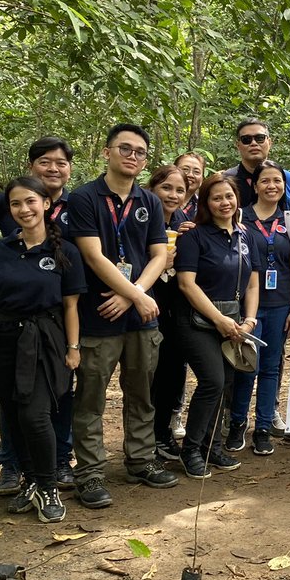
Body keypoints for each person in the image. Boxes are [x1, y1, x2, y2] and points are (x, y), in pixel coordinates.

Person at [67, 123, 178, 509]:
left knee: (142, 394)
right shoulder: (83, 198)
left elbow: (159, 254)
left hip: (139, 316)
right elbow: (92, 255)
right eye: (125, 149)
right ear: (107, 152)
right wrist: (134, 294)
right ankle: (91, 473)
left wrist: (135, 296)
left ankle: (141, 460)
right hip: (98, 315)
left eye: (140, 152)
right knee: (91, 398)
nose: (133, 156)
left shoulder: (148, 201)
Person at [0, 177, 86, 524]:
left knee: (35, 414)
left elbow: (71, 306)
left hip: (45, 341)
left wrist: (73, 348)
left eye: (30, 202)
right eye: (15, 204)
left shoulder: (65, 251)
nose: (24, 209)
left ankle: (48, 485)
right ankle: (29, 481)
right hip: (2, 340)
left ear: (46, 205)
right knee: (13, 414)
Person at [175, 174, 259, 477]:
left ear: (237, 198)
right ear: (206, 203)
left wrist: (249, 318)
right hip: (196, 322)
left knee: (223, 384)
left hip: (233, 323)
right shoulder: (194, 236)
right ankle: (191, 451)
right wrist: (219, 319)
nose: (224, 203)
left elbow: (252, 283)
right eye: (216, 198)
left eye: (229, 196)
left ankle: (212, 447)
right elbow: (186, 284)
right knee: (211, 381)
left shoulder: (245, 234)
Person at [226, 160, 290, 457]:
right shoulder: (239, 217)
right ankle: (237, 423)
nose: (272, 186)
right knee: (246, 366)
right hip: (246, 306)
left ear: (285, 187)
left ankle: (262, 428)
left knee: (271, 368)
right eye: (266, 181)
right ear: (255, 186)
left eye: (278, 181)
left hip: (281, 304)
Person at [147, 166, 193, 463]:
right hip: (147, 306)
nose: (173, 195)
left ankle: (163, 432)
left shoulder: (184, 222)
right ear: (152, 189)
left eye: (179, 190)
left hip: (177, 309)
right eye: (166, 188)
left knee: (174, 373)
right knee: (149, 375)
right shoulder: (142, 221)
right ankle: (145, 438)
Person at [225, 119, 290, 209]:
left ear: (269, 142)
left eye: (260, 138)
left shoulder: (289, 179)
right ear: (238, 145)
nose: (253, 143)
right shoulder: (227, 180)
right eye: (246, 139)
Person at [175, 152, 206, 220]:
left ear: (202, 178)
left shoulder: (203, 208)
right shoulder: (160, 200)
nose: (190, 175)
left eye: (196, 172)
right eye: (185, 169)